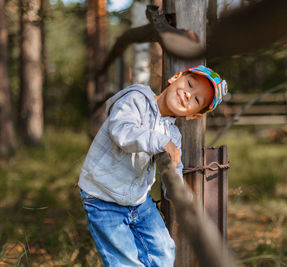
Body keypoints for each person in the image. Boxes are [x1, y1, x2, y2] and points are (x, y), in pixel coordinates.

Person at [78, 65, 228, 267]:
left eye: (196, 100)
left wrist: (180, 195)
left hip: (138, 201)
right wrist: (160, 141)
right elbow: (122, 131)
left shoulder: (173, 135)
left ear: (195, 115)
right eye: (190, 84)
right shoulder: (136, 99)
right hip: (103, 198)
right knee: (125, 261)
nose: (187, 94)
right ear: (175, 77)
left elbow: (174, 167)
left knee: (164, 252)